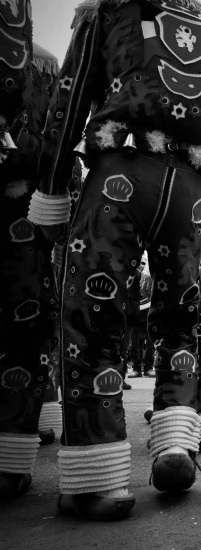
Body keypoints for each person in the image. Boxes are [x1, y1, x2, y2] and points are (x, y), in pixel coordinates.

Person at [28, 0, 201, 519]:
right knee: (180, 321)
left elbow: (68, 101)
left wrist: (52, 192)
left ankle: (98, 476)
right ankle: (175, 441)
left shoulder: (109, 7)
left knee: (92, 317)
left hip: (121, 175)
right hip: (189, 188)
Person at [0, 4, 55, 498]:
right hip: (29, 210)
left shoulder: (41, 64)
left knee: (26, 324)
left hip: (23, 209)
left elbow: (51, 149)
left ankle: (11, 450)